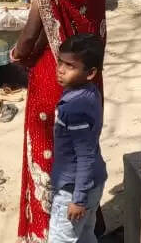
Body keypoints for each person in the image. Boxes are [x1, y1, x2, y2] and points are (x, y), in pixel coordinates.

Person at [11, 0, 106, 243]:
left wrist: (18, 56)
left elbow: (27, 39)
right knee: (83, 146)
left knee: (49, 151)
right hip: (89, 80)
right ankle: (85, 219)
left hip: (53, 77)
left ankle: (45, 230)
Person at [49, 33, 109, 243]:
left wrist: (78, 199)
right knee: (85, 236)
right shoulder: (89, 93)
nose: (61, 69)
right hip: (92, 184)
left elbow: (85, 155)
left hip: (73, 189)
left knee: (62, 239)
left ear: (91, 73)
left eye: (70, 66)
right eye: (60, 62)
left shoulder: (75, 108)